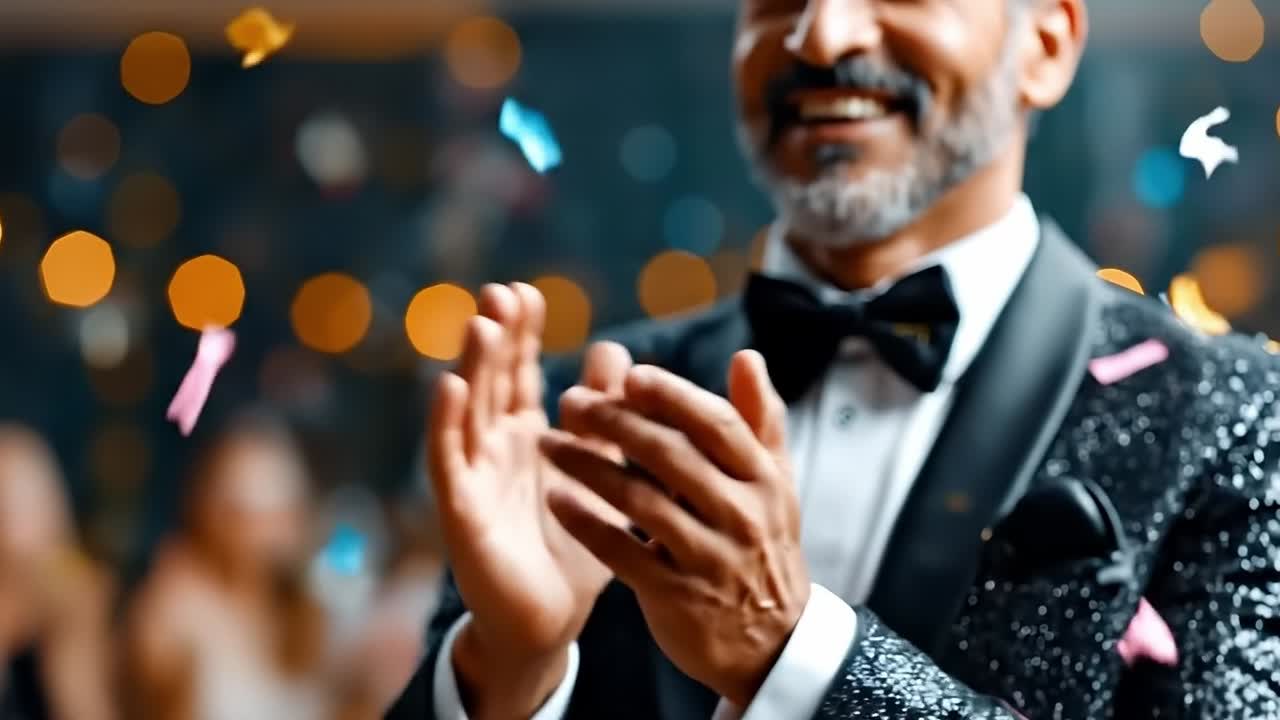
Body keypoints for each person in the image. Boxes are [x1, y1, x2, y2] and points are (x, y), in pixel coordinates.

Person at [389, 0, 1280, 717]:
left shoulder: (1231, 412)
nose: (822, 32)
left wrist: (794, 653)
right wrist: (507, 667)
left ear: (1045, 43)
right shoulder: (584, 403)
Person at [124, 413, 378, 720]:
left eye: (284, 506)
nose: (272, 524)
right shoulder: (180, 605)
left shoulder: (304, 607)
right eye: (251, 507)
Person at [0, 424, 116, 720]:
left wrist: (74, 634)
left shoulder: (69, 605)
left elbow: (82, 708)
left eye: (34, 504)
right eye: (10, 504)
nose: (23, 527)